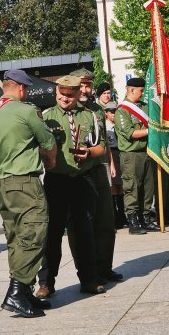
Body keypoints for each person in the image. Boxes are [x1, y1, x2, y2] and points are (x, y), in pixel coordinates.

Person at [0, 69, 57, 318]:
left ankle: (25, 292)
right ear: (21, 88)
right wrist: (52, 161)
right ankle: (16, 292)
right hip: (26, 183)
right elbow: (48, 143)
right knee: (34, 234)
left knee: (16, 239)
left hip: (4, 185)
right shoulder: (26, 111)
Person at [36, 75, 107, 298]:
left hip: (83, 180)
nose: (65, 99)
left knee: (85, 233)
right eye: (61, 95)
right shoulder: (46, 117)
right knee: (52, 234)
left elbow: (102, 146)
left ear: (78, 94)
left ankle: (89, 280)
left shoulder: (91, 116)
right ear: (56, 92)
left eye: (69, 95)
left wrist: (90, 153)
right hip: (56, 181)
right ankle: (46, 283)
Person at [68, 68, 121, 284]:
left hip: (99, 168)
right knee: (81, 225)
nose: (84, 89)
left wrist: (110, 163)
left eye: (87, 85)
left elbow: (104, 141)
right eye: (80, 85)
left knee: (106, 221)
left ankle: (104, 266)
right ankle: (87, 271)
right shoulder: (69, 108)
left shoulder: (97, 110)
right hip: (79, 172)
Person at [114, 77, 158, 234]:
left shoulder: (145, 107)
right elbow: (130, 133)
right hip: (131, 154)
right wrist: (150, 131)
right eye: (141, 91)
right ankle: (133, 221)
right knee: (132, 188)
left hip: (147, 152)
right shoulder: (122, 110)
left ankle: (145, 218)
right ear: (132, 90)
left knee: (148, 187)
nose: (143, 93)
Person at [104, 101, 128, 229]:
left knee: (121, 186)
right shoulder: (106, 126)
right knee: (113, 186)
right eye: (111, 112)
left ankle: (122, 216)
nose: (113, 114)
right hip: (111, 154)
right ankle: (114, 217)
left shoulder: (120, 124)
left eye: (115, 111)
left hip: (121, 153)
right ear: (106, 113)